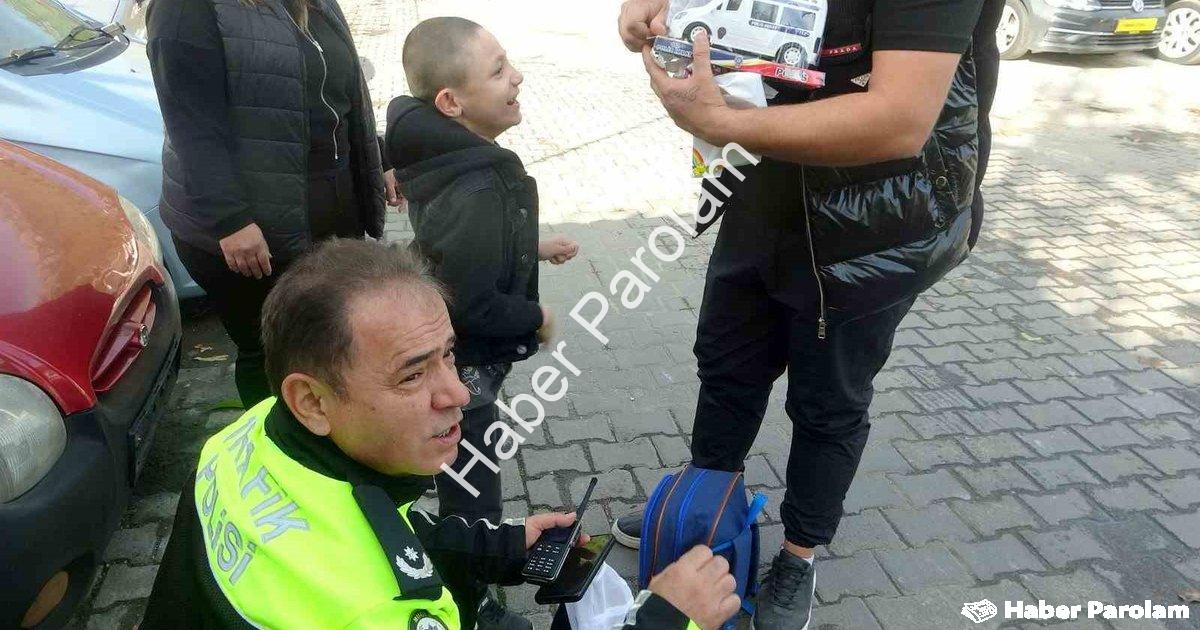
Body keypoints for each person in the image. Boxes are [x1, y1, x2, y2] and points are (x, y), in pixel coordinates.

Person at [612, 0, 989, 627]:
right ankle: (706, 507)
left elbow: (899, 118)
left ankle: (798, 552)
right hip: (759, 195)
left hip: (868, 230)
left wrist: (713, 118)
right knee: (727, 366)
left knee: (828, 401)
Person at [141, 239, 740, 630]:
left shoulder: (248, 434)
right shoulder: (386, 610)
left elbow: (373, 525)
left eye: (448, 356)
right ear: (312, 401)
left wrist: (505, 549)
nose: (457, 393)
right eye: (411, 373)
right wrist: (666, 619)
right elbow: (374, 567)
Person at [383, 17, 579, 628]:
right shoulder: (477, 184)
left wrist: (531, 247)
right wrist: (540, 316)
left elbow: (458, 249)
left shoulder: (449, 155)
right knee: (474, 488)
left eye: (508, 61)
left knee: (465, 477)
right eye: (497, 71)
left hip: (456, 360)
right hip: (463, 369)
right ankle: (473, 602)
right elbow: (466, 300)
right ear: (451, 102)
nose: (516, 75)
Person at [146, 0, 401, 407]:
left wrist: (379, 158)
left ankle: (334, 438)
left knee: (330, 343)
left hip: (328, 215)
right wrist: (229, 220)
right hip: (253, 235)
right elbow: (191, 124)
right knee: (271, 356)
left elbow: (344, 86)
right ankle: (279, 457)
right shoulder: (185, 9)